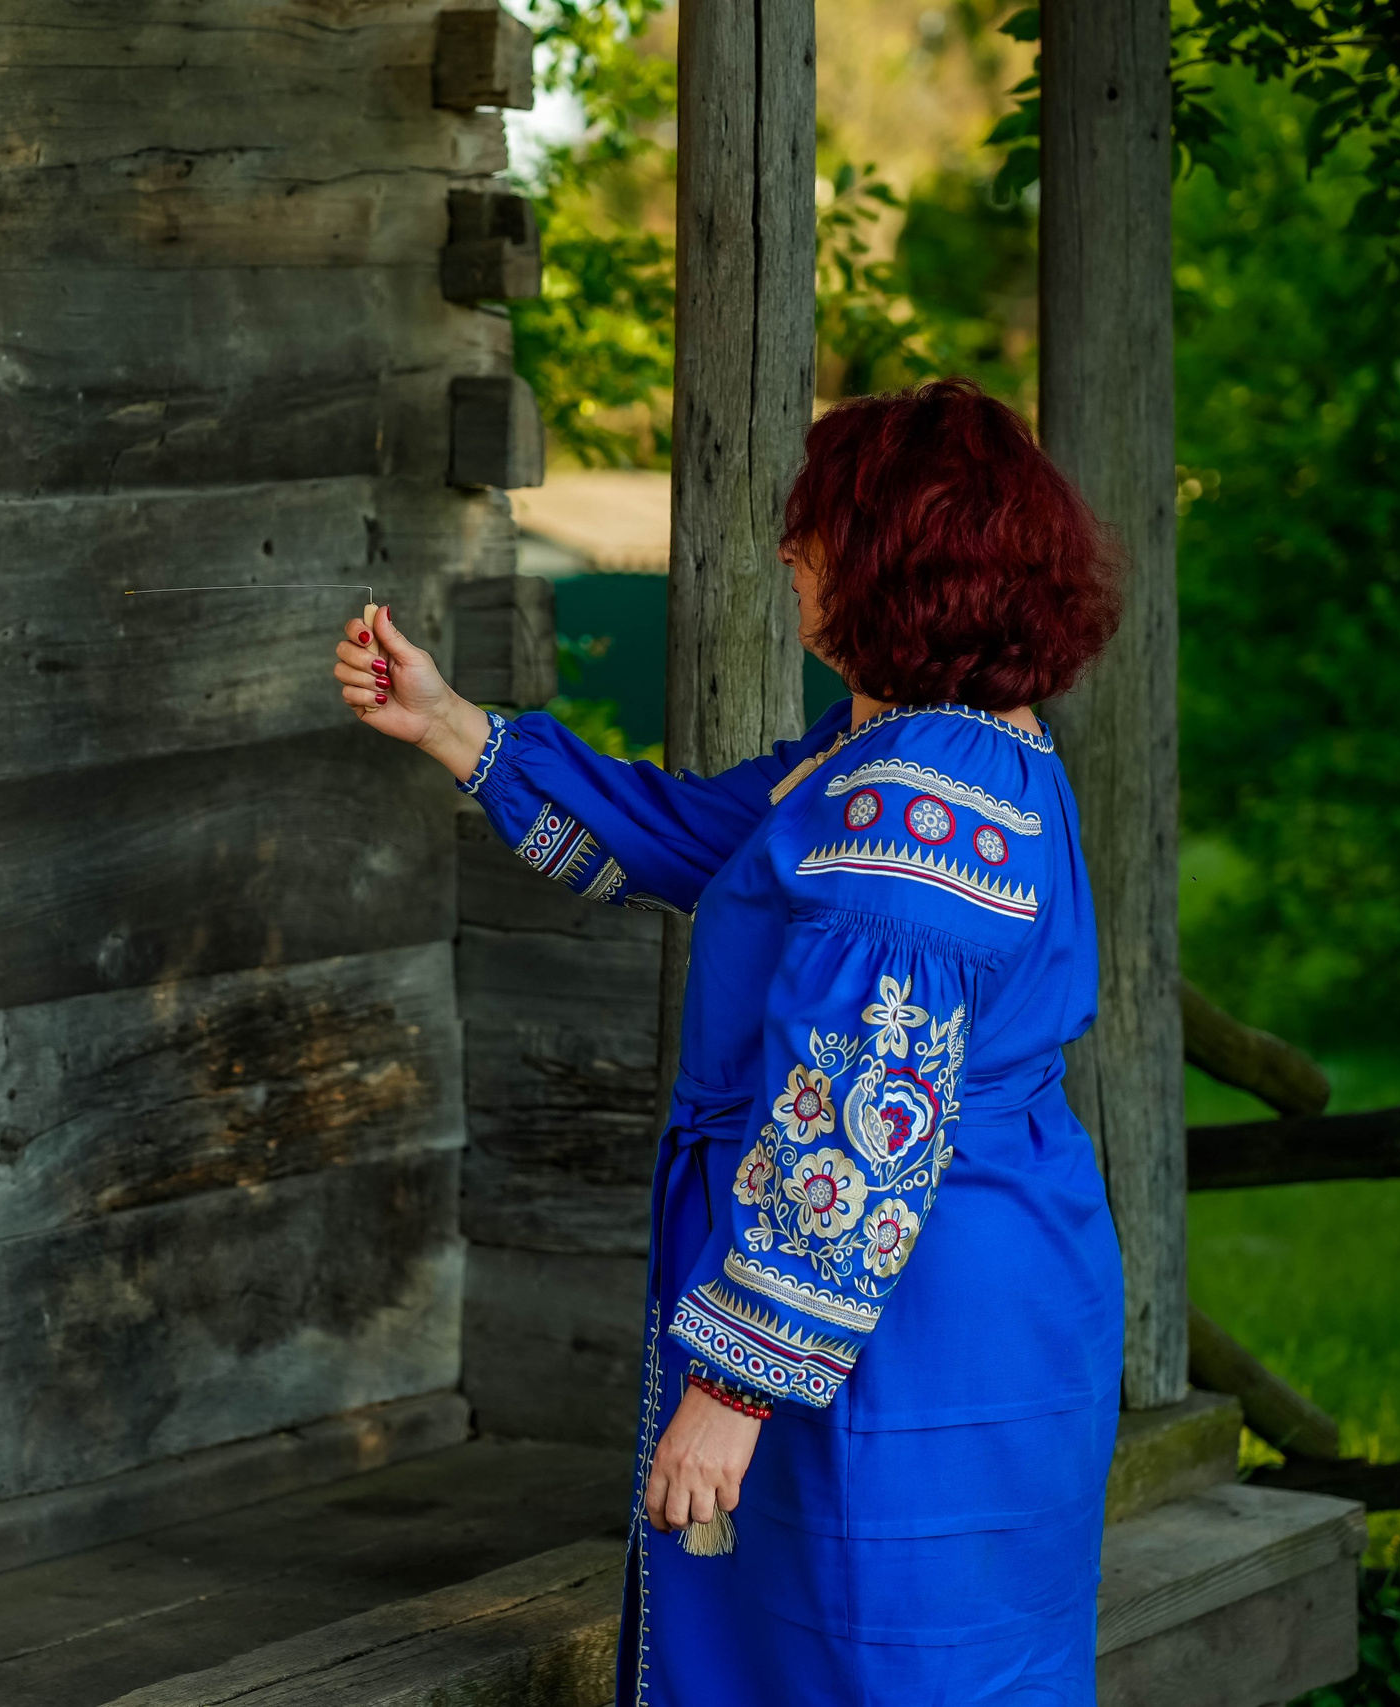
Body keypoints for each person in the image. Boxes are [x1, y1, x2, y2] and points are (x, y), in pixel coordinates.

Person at [333, 378, 1128, 1704]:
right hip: (949, 1278)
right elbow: (700, 839)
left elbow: (864, 1113)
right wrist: (454, 728)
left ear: (891, 559)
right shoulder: (927, 752)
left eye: (818, 528)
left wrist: (736, 1389)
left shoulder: (920, 803)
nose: (789, 550)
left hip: (900, 1314)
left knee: (873, 1663)